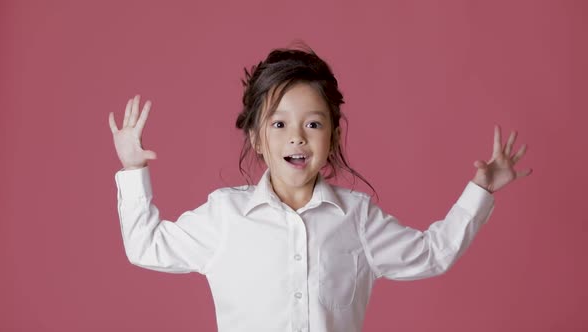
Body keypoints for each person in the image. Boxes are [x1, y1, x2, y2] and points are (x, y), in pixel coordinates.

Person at [108, 45, 532, 332]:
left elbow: (432, 254)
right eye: (279, 124)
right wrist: (132, 168)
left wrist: (481, 190)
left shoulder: (358, 218)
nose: (297, 137)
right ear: (257, 138)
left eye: (313, 124)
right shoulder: (224, 217)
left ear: (332, 136)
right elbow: (145, 246)